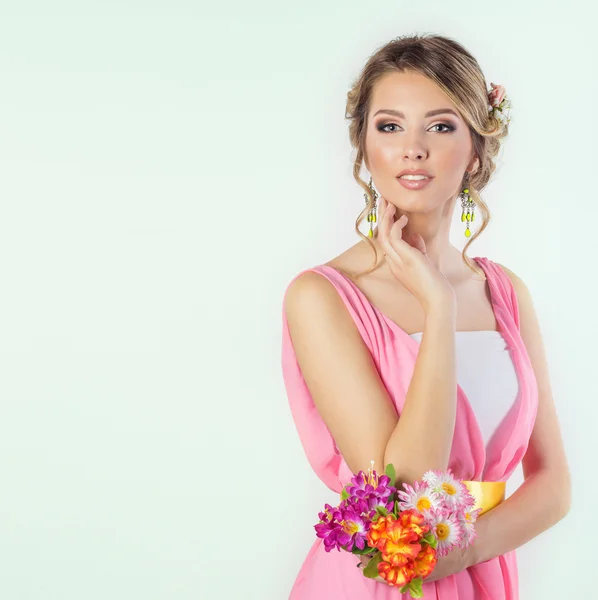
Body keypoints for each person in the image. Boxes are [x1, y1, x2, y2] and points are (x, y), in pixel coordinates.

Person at [280, 33, 571, 599]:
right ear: (364, 146)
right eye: (389, 127)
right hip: (376, 585)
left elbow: (554, 485)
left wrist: (464, 553)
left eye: (440, 126)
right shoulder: (322, 297)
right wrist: (438, 309)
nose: (412, 148)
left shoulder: (506, 293)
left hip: (475, 572)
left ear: (478, 148)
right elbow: (405, 489)